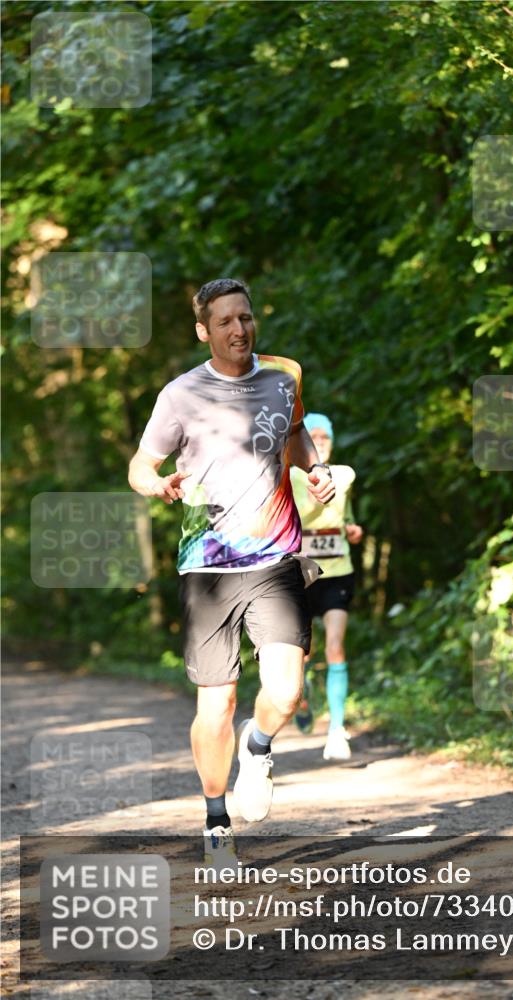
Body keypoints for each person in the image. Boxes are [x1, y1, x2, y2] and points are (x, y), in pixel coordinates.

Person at [128, 278, 335, 861]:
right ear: (204, 331)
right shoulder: (180, 394)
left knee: (287, 690)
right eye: (225, 321)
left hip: (276, 555)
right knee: (215, 704)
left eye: (245, 317)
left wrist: (314, 469)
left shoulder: (284, 376)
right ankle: (217, 821)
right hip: (207, 566)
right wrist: (156, 485)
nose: (239, 329)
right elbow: (140, 465)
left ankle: (259, 744)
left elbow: (293, 435)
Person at [290, 414, 363, 761]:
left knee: (335, 647)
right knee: (300, 655)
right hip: (301, 574)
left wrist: (351, 528)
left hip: (337, 572)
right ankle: (301, 692)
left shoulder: (344, 474)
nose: (319, 442)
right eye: (313, 436)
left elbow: (342, 513)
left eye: (325, 437)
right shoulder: (289, 475)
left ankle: (336, 729)